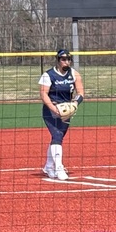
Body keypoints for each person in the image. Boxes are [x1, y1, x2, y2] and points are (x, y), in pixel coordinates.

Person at [38, 48, 85, 181]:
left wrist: (75, 103)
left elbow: (81, 93)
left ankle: (48, 166)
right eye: (63, 59)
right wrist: (53, 108)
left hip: (66, 110)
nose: (66, 61)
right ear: (58, 60)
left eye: (68, 59)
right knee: (57, 135)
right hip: (50, 110)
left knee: (57, 138)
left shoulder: (74, 74)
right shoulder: (48, 75)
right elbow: (43, 94)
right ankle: (59, 167)